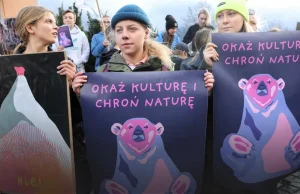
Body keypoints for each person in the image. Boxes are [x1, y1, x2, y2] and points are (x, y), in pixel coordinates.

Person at [202, 0, 280, 194]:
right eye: (220, 16)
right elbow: (196, 99)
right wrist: (203, 65)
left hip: (261, 134)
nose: (225, 21)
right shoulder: (207, 52)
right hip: (220, 136)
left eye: (231, 14)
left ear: (243, 18)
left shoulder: (265, 51)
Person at [13, 6, 93, 194]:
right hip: (26, 153)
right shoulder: (9, 68)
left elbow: (76, 117)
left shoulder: (65, 65)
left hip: (65, 151)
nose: (56, 27)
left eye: (55, 22)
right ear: (30, 28)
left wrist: (72, 87)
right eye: (49, 21)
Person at [72, 4, 214, 94]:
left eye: (132, 29)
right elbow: (98, 115)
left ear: (146, 33)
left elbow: (180, 107)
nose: (125, 35)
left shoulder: (165, 68)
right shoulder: (104, 72)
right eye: (119, 30)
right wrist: (82, 94)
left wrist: (202, 89)